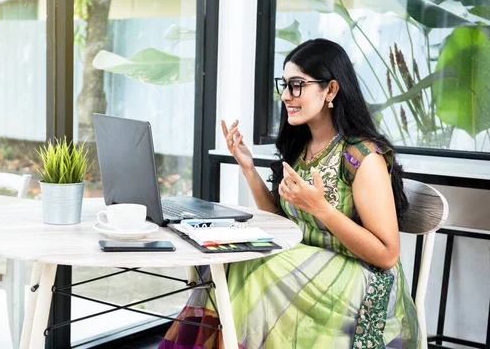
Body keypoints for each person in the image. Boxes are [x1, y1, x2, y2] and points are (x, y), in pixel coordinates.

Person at [158, 39, 420, 348]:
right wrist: (248, 169)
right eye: (284, 85)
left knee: (258, 268)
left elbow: (388, 254)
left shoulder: (362, 157)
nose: (285, 96)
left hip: (360, 278)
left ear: (331, 90)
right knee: (231, 260)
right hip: (306, 265)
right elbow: (285, 221)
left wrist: (322, 209)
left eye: (296, 85)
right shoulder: (302, 148)